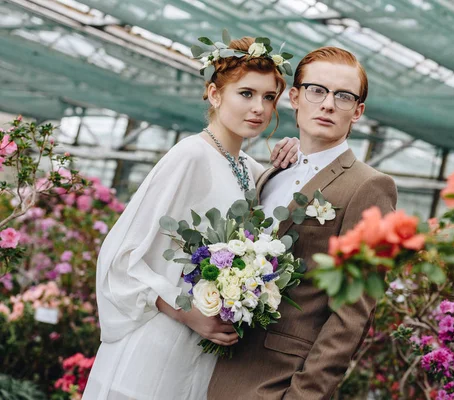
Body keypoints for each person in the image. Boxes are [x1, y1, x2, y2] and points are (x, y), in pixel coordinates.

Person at [83, 36, 299, 400]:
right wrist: (186, 314)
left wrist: (294, 156)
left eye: (268, 97)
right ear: (215, 94)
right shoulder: (190, 156)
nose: (259, 108)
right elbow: (120, 256)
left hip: (202, 353)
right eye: (245, 94)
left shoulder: (252, 169)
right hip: (157, 343)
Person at [207, 47, 398, 399]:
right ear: (294, 97)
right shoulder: (272, 173)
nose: (327, 104)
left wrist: (303, 395)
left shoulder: (370, 187)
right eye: (317, 90)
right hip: (216, 362)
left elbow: (352, 314)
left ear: (357, 112)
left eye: (343, 96)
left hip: (276, 380)